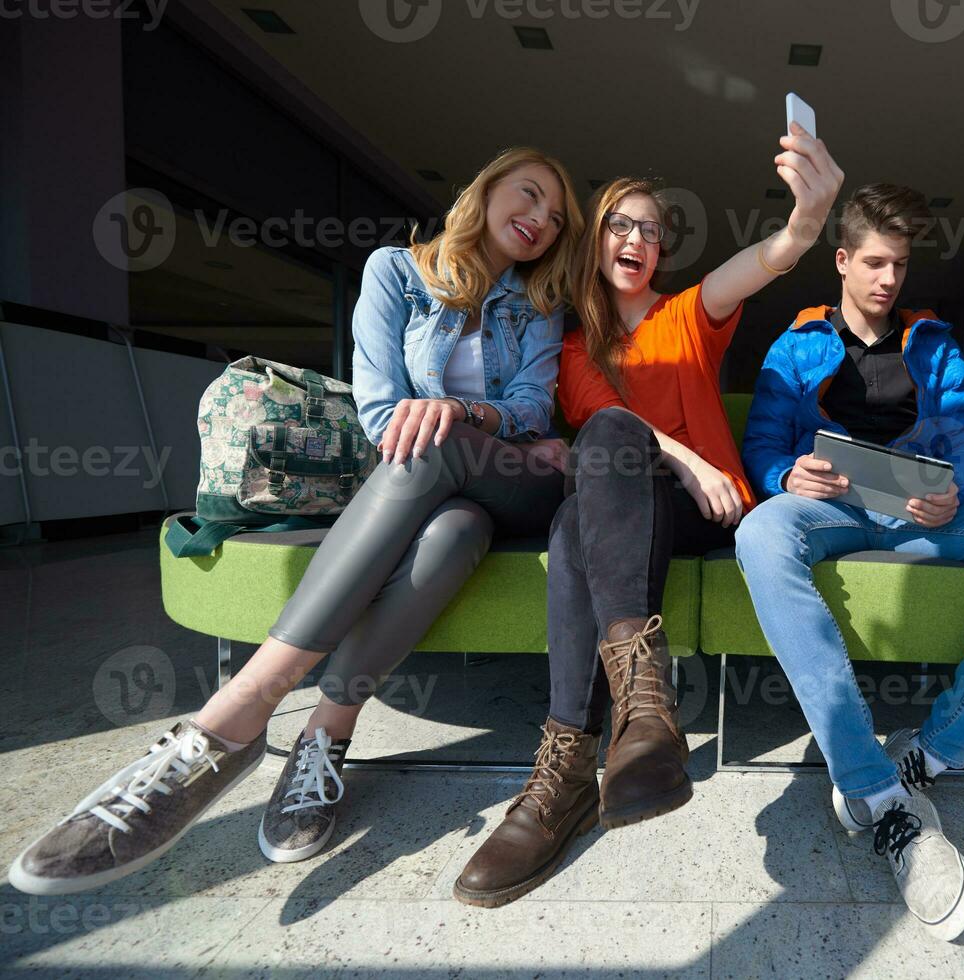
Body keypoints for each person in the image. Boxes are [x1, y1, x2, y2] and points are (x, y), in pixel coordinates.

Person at [9, 147, 584, 894]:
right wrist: (452, 419)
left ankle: (232, 717)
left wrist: (463, 410)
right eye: (529, 195)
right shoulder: (396, 273)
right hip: (437, 494)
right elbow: (379, 414)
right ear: (484, 190)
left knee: (436, 445)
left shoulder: (538, 304)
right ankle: (323, 738)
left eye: (556, 217)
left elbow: (535, 411)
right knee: (451, 534)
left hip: (518, 484)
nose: (539, 219)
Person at [451, 123, 845, 909]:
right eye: (621, 225)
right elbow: (607, 418)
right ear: (594, 241)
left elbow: (759, 264)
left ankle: (584, 755)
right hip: (628, 508)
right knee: (578, 506)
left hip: (710, 510)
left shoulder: (690, 313)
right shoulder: (567, 345)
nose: (638, 238)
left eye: (653, 231)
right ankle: (615, 730)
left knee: (590, 486)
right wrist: (685, 456)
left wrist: (803, 226)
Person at [733, 183, 964, 941]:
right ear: (841, 260)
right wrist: (785, 477)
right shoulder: (796, 342)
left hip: (923, 511)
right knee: (759, 533)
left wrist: (953, 489)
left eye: (899, 265)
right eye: (873, 262)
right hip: (830, 508)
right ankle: (870, 785)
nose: (887, 279)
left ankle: (933, 753)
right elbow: (763, 444)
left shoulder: (935, 341)